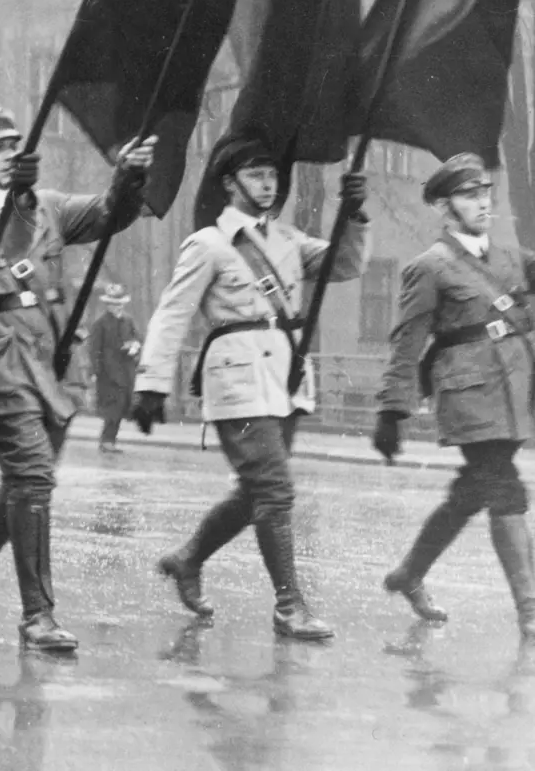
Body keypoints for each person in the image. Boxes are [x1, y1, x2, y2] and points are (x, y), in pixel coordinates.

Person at [131, 131, 367, 640]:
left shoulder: (288, 240)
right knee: (275, 490)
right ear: (229, 183)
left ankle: (187, 558)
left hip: (283, 379)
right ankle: (290, 606)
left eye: (272, 175)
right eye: (256, 175)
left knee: (255, 492)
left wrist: (353, 216)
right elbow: (172, 315)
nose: (268, 184)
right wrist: (151, 383)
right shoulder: (209, 244)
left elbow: (345, 265)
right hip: (236, 380)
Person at [0, 104, 153, 652]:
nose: (11, 152)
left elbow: (112, 214)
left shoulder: (50, 205)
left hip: (58, 365)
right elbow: (5, 247)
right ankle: (38, 616)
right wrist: (16, 201)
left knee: (26, 485)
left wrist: (128, 177)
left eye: (16, 143)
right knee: (33, 479)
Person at [372, 153, 535, 643]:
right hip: (468, 393)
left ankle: (409, 574)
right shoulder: (429, 267)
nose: (482, 202)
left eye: (484, 192)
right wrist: (391, 409)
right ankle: (529, 607)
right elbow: (407, 341)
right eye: (469, 195)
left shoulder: (510, 258)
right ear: (445, 206)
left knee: (473, 492)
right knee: (503, 487)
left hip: (513, 390)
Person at [87, 283, 141, 453]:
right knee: (112, 407)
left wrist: (134, 347)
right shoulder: (100, 323)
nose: (116, 307)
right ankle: (107, 440)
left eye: (119, 303)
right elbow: (94, 349)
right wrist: (95, 372)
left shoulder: (128, 320)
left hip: (126, 371)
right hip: (108, 373)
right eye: (112, 304)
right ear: (107, 305)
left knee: (122, 405)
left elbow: (137, 338)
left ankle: (110, 440)